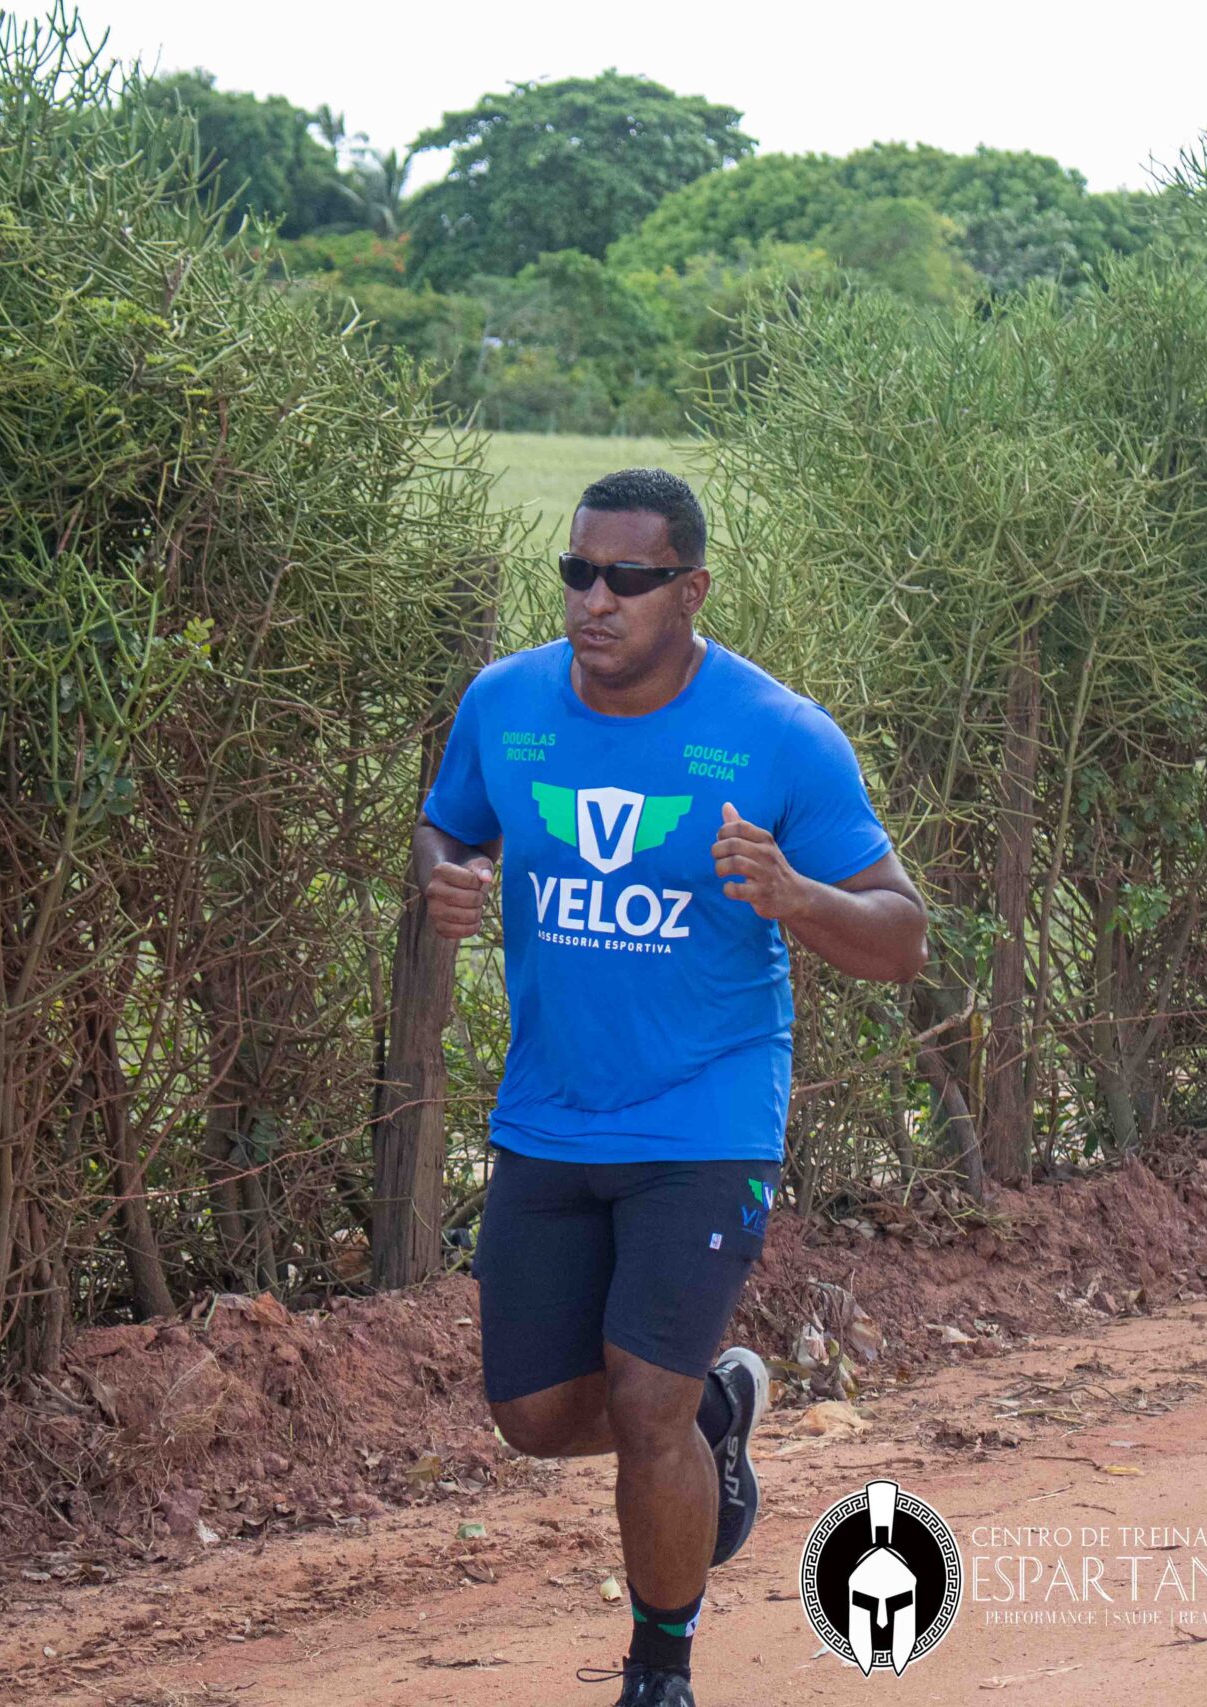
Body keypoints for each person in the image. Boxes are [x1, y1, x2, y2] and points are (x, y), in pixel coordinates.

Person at [415, 467, 928, 1705]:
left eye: (627, 580)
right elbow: (449, 825)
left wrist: (795, 896)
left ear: (689, 591)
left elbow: (902, 937)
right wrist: (445, 874)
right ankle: (712, 1420)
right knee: (534, 1415)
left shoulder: (777, 735)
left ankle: (660, 1668)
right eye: (577, 573)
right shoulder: (504, 702)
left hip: (706, 1112)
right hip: (549, 1111)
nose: (594, 600)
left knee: (643, 1400)